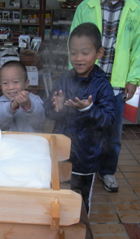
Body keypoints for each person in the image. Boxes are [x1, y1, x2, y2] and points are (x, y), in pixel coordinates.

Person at [70, 0, 140, 192]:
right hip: (88, 81)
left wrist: (133, 78)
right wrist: (74, 77)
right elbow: (72, 43)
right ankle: (81, 166)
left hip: (117, 84)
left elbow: (138, 47)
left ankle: (107, 171)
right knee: (83, 127)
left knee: (112, 133)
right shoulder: (85, 7)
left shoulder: (136, 9)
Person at [44, 23, 116, 214]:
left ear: (99, 53)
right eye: (73, 52)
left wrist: (89, 109)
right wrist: (55, 107)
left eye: (85, 52)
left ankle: (79, 229)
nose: (78, 58)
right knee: (57, 193)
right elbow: (48, 112)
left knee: (79, 201)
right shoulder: (63, 79)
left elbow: (109, 119)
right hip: (60, 152)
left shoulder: (102, 85)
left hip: (87, 157)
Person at [0, 60, 45, 133]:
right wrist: (11, 106)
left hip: (32, 142)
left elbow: (40, 121)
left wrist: (28, 105)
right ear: (0, 84)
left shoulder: (35, 100)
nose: (10, 87)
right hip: (9, 142)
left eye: (16, 82)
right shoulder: (0, 103)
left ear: (26, 83)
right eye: (5, 83)